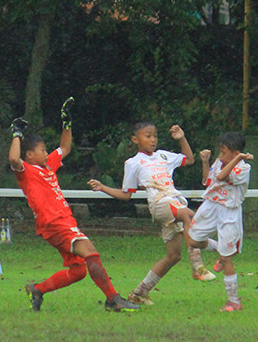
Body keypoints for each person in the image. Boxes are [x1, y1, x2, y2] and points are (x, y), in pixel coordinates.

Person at [10, 100, 136, 312]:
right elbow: (14, 158)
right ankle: (112, 299)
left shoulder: (48, 165)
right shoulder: (26, 171)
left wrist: (67, 123)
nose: (45, 152)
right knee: (90, 252)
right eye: (42, 149)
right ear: (29, 155)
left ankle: (38, 289)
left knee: (78, 271)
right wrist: (16, 134)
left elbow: (65, 147)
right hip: (54, 223)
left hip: (63, 222)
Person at [88, 121, 215, 306]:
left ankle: (139, 293)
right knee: (189, 215)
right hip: (159, 203)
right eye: (148, 136)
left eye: (155, 135)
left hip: (173, 201)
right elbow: (126, 195)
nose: (153, 139)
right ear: (135, 139)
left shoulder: (163, 155)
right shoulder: (133, 163)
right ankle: (198, 267)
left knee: (174, 256)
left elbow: (189, 159)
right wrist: (102, 188)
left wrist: (182, 138)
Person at [185, 132, 253, 312]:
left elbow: (223, 176)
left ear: (236, 153)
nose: (220, 156)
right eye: (220, 152)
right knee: (193, 241)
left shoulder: (243, 168)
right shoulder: (220, 162)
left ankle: (233, 301)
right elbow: (209, 181)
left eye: (224, 152)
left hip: (229, 212)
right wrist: (206, 162)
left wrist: (238, 159)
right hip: (211, 206)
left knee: (226, 258)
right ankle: (221, 249)